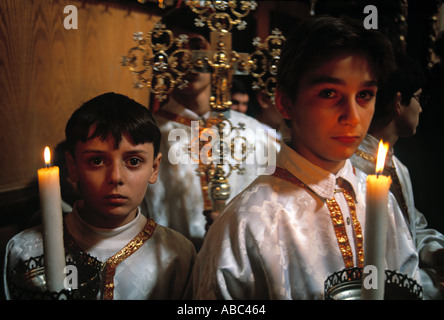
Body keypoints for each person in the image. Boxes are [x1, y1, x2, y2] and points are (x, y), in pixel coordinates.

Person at [192, 16, 421, 299]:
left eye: (364, 94)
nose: (352, 117)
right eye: (329, 93)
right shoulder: (247, 224)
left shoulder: (380, 199)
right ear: (285, 102)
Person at [4, 92, 197, 300]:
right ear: (73, 167)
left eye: (133, 161)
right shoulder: (23, 251)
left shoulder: (177, 256)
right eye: (96, 161)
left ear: (154, 168)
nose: (115, 177)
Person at [141, 6, 277, 250]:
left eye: (196, 45)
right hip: (171, 270)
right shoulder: (144, 136)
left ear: (217, 50)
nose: (187, 58)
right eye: (175, 47)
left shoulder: (256, 134)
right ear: (162, 57)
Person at [351, 53, 444, 299]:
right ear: (398, 101)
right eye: (418, 97)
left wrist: (434, 252)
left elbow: (412, 227)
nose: (421, 107)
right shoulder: (353, 170)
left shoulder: (398, 166)